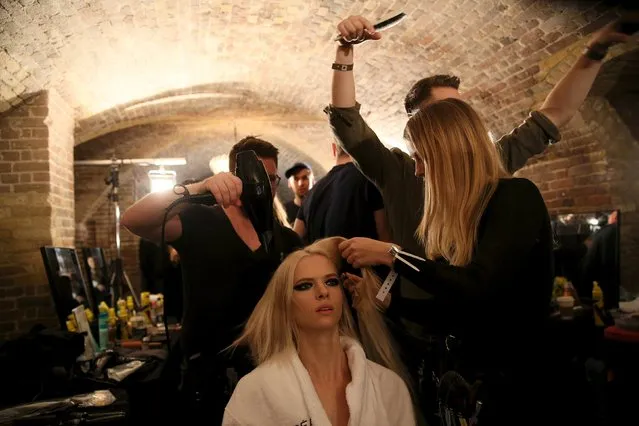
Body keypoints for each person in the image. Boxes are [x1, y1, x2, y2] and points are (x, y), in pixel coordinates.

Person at [338, 98, 554, 425]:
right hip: (477, 390)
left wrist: (391, 254)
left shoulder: (516, 197)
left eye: (421, 158)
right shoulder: (464, 222)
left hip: (522, 391)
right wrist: (384, 301)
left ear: (448, 154)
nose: (418, 170)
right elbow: (451, 312)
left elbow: (478, 285)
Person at [121, 136, 302, 423]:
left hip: (268, 369)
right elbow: (133, 219)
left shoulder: (286, 239)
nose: (263, 188)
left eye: (271, 179)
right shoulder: (199, 220)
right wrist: (198, 187)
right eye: (256, 179)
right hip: (207, 375)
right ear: (234, 179)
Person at [223, 237, 415, 426]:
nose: (323, 292)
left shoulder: (388, 387)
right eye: (305, 286)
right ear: (285, 303)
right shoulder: (256, 392)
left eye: (331, 282)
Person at [293, 142, 391, 244]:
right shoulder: (370, 179)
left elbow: (294, 242)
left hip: (322, 258)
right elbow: (385, 241)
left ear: (334, 149)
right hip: (360, 259)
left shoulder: (311, 194)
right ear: (364, 150)